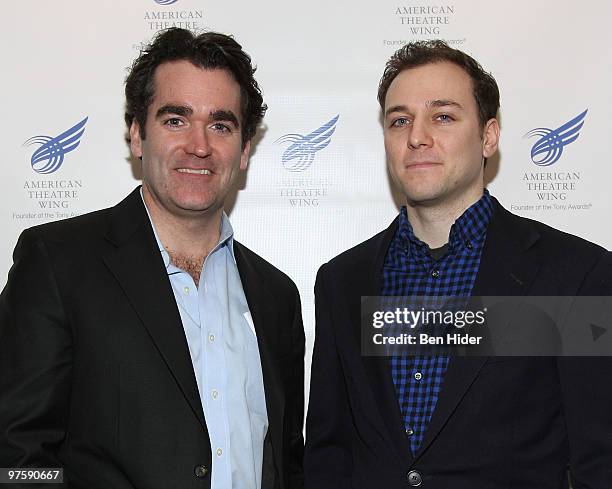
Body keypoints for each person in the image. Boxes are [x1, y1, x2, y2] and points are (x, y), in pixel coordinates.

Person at [0, 28, 304, 489]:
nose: (199, 145)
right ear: (137, 135)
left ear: (244, 150)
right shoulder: (59, 264)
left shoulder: (277, 296)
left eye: (220, 124)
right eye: (175, 120)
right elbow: (16, 454)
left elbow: (285, 461)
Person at [304, 40, 612, 488]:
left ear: (488, 136)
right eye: (400, 120)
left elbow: (601, 462)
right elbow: (328, 455)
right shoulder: (342, 281)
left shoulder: (575, 276)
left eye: (443, 116)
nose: (417, 136)